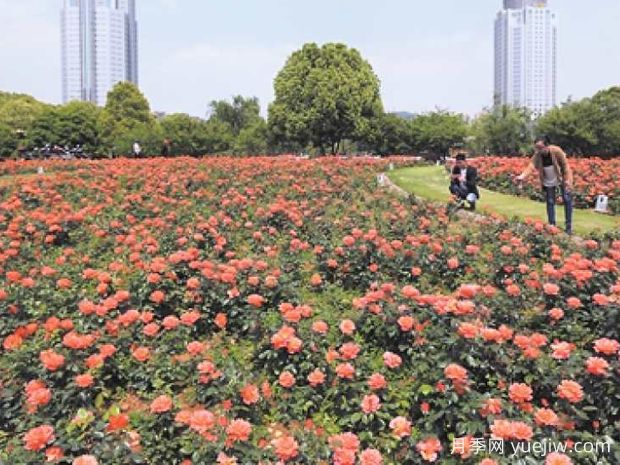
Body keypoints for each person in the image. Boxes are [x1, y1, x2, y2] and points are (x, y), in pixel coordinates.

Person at [514, 137, 574, 235]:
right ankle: (552, 225)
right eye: (537, 148)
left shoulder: (556, 151)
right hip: (548, 180)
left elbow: (565, 166)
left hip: (561, 178)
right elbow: (531, 166)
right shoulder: (538, 155)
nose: (538, 150)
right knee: (550, 202)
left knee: (567, 199)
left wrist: (567, 180)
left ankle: (568, 227)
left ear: (547, 146)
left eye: (540, 147)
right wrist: (522, 176)